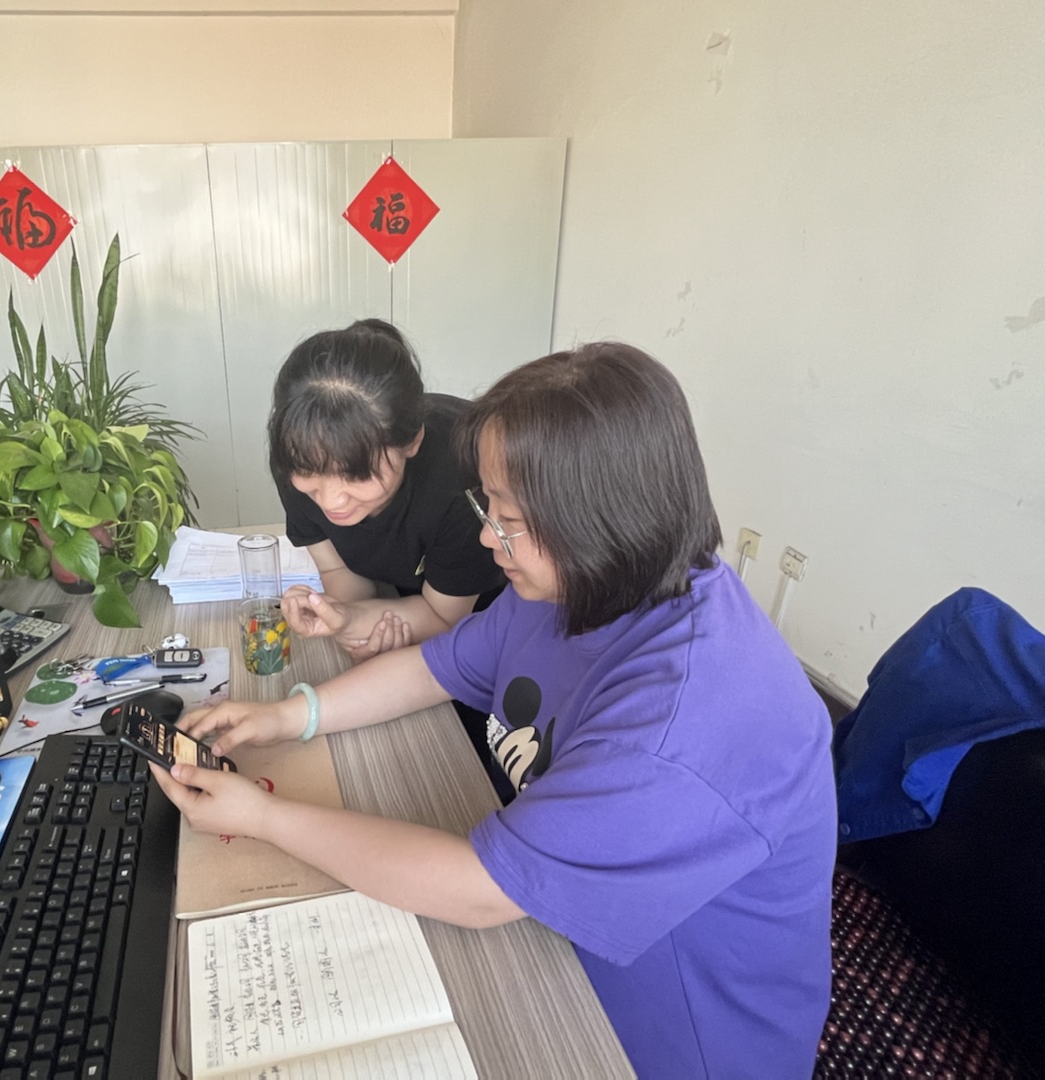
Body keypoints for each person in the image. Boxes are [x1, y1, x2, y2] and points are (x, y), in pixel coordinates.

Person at [155, 343, 839, 1078]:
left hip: (650, 1037)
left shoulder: (681, 727)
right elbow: (437, 666)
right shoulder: (574, 586)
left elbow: (479, 892)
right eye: (488, 507)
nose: (487, 537)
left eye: (506, 519)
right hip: (551, 939)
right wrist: (289, 716)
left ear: (597, 520)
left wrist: (262, 816)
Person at [268, 319, 504, 665]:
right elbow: (337, 570)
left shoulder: (463, 475)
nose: (331, 500)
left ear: (412, 442)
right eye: (308, 472)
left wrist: (359, 621)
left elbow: (443, 616)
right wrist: (345, 617)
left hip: (488, 611)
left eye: (357, 474)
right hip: (402, 594)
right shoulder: (294, 457)